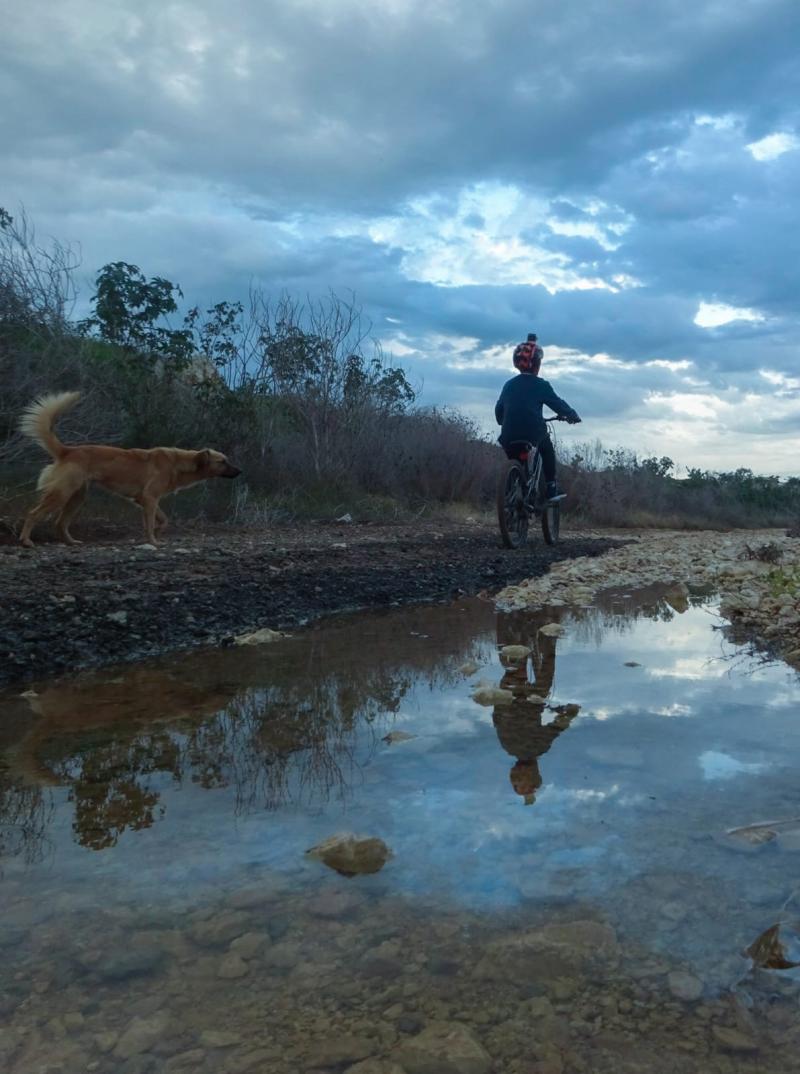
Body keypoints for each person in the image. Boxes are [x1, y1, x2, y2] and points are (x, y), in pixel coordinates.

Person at [495, 333, 581, 502]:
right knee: (547, 449)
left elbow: (499, 410)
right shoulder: (541, 385)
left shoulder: (509, 385)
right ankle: (551, 487)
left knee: (515, 459)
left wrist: (503, 421)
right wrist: (572, 415)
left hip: (508, 434)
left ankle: (513, 488)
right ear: (537, 364)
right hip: (533, 432)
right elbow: (558, 404)